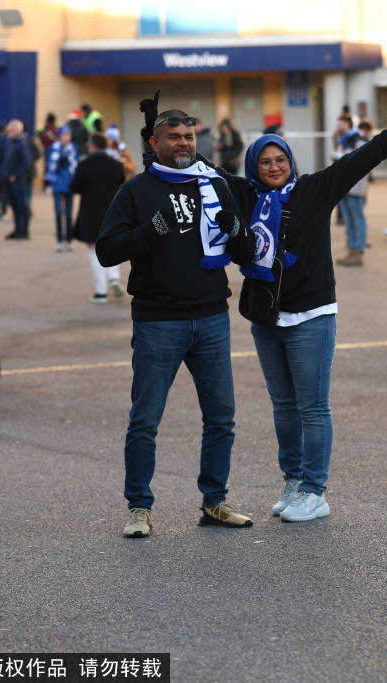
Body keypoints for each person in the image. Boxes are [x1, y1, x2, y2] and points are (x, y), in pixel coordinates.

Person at [223, 105, 387, 523]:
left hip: (311, 315)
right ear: (253, 166)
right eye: (265, 161)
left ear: (290, 161)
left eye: (280, 159)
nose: (274, 167)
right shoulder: (245, 195)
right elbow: (204, 172)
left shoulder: (313, 189)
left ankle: (315, 491)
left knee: (312, 407)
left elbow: (358, 161)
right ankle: (294, 481)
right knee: (283, 406)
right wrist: (162, 144)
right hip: (267, 318)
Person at [95, 108, 258, 537]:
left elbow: (244, 253)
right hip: (158, 321)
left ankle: (214, 502)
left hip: (211, 317)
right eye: (174, 137)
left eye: (189, 136)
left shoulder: (214, 184)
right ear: (155, 142)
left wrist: (237, 230)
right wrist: (146, 232)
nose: (184, 143)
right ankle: (139, 508)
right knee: (145, 420)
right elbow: (106, 251)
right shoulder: (135, 191)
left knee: (221, 417)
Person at [71, 134, 127, 303]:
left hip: (90, 214)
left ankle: (101, 292)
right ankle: (114, 277)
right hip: (113, 212)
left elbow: (74, 187)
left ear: (93, 146)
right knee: (112, 246)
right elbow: (122, 185)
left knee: (94, 251)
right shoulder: (117, 165)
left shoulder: (84, 165)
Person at [334, 118, 374, 266]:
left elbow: (359, 162)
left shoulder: (358, 140)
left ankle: (358, 251)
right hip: (343, 186)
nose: (337, 126)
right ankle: (352, 251)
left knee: (357, 220)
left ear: (347, 125)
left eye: (340, 124)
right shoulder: (343, 140)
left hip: (354, 186)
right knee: (349, 221)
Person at [45, 125, 79, 251]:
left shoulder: (73, 148)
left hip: (70, 184)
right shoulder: (54, 147)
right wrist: (59, 161)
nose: (66, 137)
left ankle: (69, 240)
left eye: (68, 134)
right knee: (59, 213)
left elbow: (76, 165)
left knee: (69, 214)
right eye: (64, 134)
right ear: (60, 135)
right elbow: (49, 164)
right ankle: (59, 241)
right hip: (57, 184)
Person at [3, 120, 32, 240]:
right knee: (14, 205)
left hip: (18, 181)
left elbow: (27, 163)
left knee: (21, 206)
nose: (8, 131)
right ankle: (17, 229)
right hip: (10, 180)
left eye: (11, 129)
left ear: (18, 130)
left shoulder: (21, 144)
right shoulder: (11, 143)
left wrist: (16, 175)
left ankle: (23, 230)